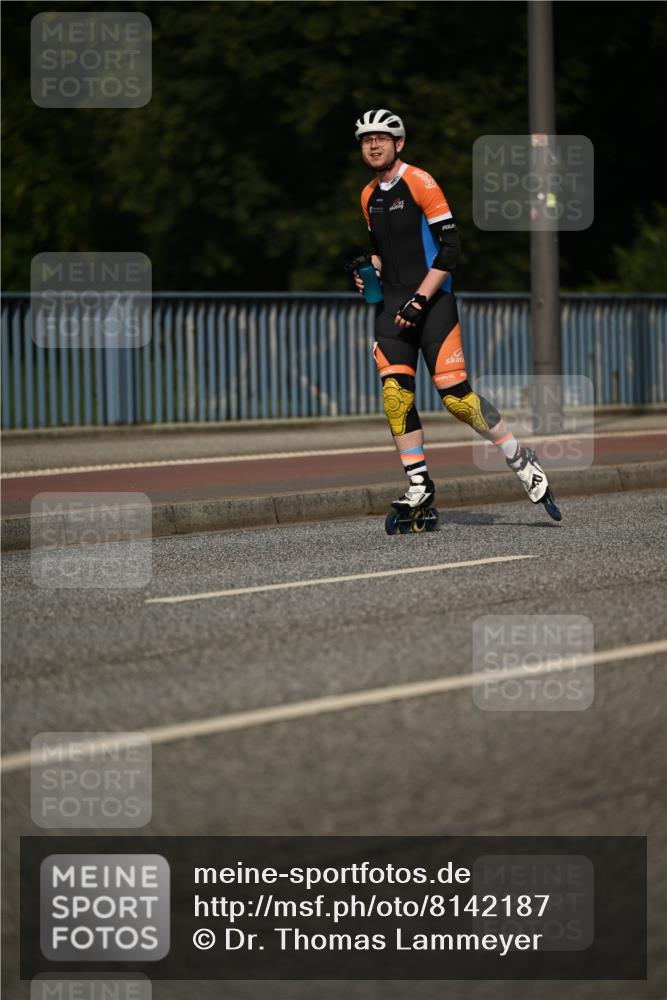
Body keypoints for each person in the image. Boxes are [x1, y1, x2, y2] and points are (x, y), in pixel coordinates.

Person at [351, 108, 559, 519]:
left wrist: (421, 299)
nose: (373, 144)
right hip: (391, 306)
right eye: (365, 139)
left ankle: (519, 457)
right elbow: (385, 251)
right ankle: (419, 485)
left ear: (399, 143)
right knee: (396, 396)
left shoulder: (421, 182)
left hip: (433, 305)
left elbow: (450, 249)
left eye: (381, 137)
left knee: (457, 401)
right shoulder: (367, 196)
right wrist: (370, 272)